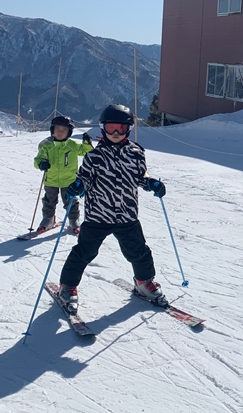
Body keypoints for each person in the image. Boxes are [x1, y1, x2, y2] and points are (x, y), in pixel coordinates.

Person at [56, 104, 168, 313]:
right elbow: (84, 178)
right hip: (99, 216)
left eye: (121, 128)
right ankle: (67, 286)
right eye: (111, 128)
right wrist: (78, 187)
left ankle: (144, 282)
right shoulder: (94, 156)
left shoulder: (136, 153)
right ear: (103, 129)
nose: (115, 133)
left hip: (127, 214)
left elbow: (140, 176)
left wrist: (151, 183)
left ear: (128, 129)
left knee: (139, 252)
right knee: (84, 252)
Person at [33, 116, 93, 234]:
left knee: (70, 201)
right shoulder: (47, 145)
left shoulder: (72, 145)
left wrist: (87, 143)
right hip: (51, 180)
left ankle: (73, 220)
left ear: (69, 132)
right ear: (52, 130)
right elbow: (38, 159)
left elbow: (87, 152)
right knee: (49, 201)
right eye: (57, 129)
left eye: (64, 130)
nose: (60, 132)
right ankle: (48, 219)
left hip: (69, 180)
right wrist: (41, 164)